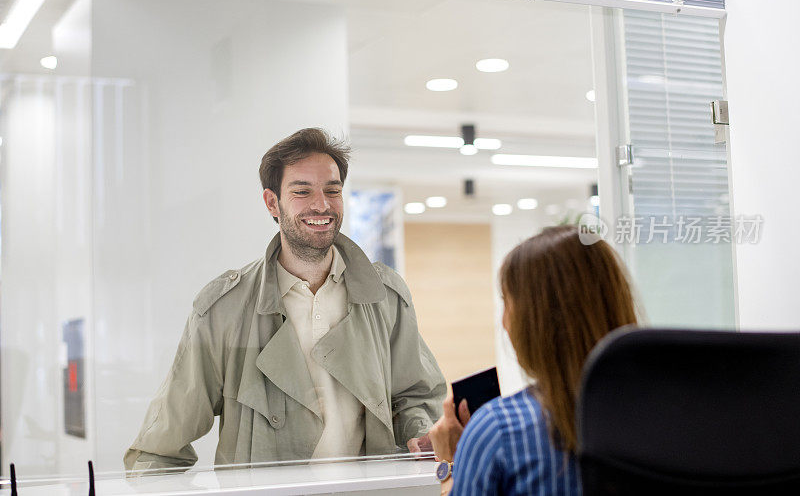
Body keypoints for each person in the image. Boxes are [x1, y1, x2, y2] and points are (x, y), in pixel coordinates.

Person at [125, 128, 445, 471]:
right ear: (272, 203)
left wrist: (419, 431)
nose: (321, 204)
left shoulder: (386, 296)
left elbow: (417, 396)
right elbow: (159, 450)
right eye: (302, 191)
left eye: (332, 190)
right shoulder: (224, 310)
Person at [429, 225, 638, 495]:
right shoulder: (667, 416)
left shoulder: (498, 430)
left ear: (534, 322)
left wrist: (450, 465)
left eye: (507, 302)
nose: (504, 323)